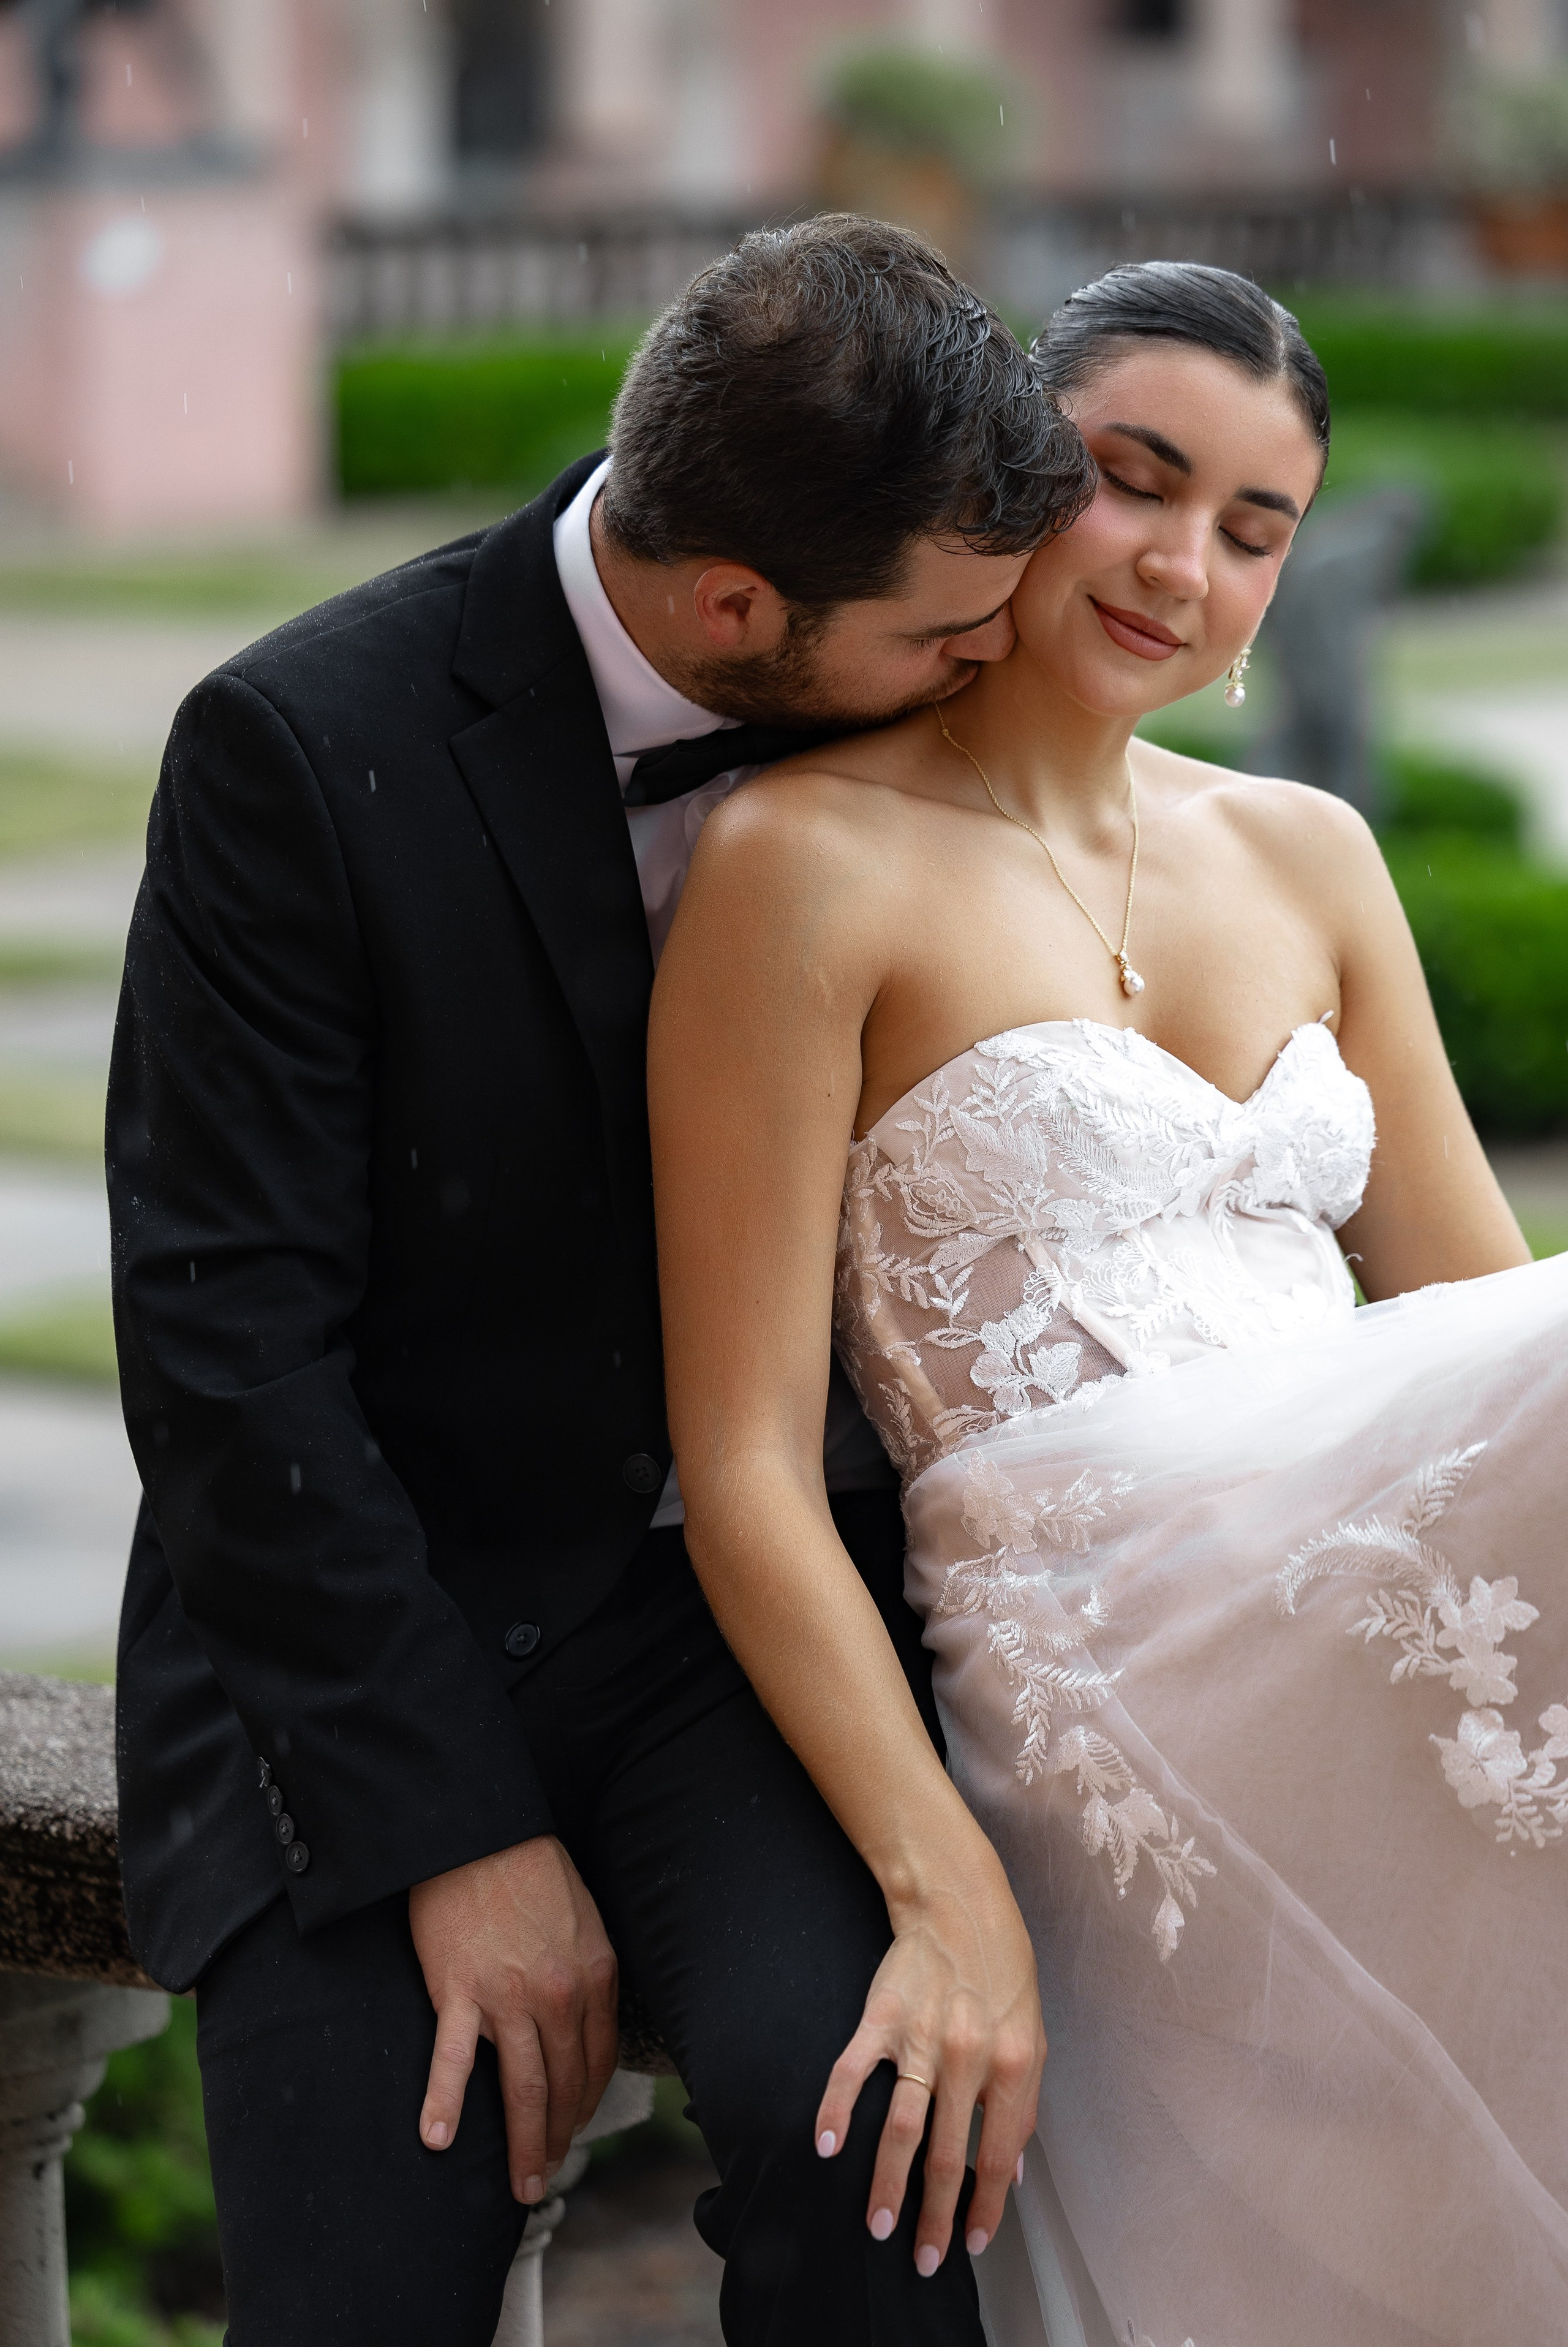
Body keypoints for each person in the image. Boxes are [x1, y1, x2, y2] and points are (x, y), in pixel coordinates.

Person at [106, 215, 1094, 2345]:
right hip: (374, 1616)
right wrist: (450, 1833)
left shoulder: (935, 735)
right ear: (737, 604)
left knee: (881, 2168)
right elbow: (226, 1352)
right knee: (362, 2271)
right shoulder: (293, 748)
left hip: (748, 1633)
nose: (986, 663)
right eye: (943, 631)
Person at [650, 260, 1568, 2346]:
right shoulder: (805, 861)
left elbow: (1481, 1331)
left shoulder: (1316, 855)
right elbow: (746, 1474)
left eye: (1255, 531)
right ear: (1002, 477)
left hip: (1356, 1589)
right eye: (1131, 483)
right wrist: (930, 1870)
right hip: (1101, 1649)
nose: (1184, 564)